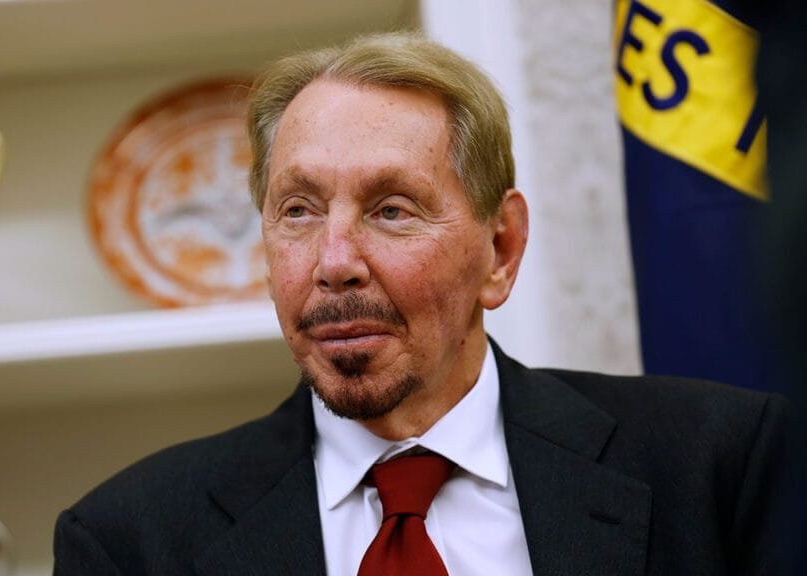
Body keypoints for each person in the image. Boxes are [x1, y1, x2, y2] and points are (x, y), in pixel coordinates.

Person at [53, 32, 788, 575]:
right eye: (299, 211)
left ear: (500, 249)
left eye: (392, 210)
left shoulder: (717, 464)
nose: (334, 264)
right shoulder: (131, 539)